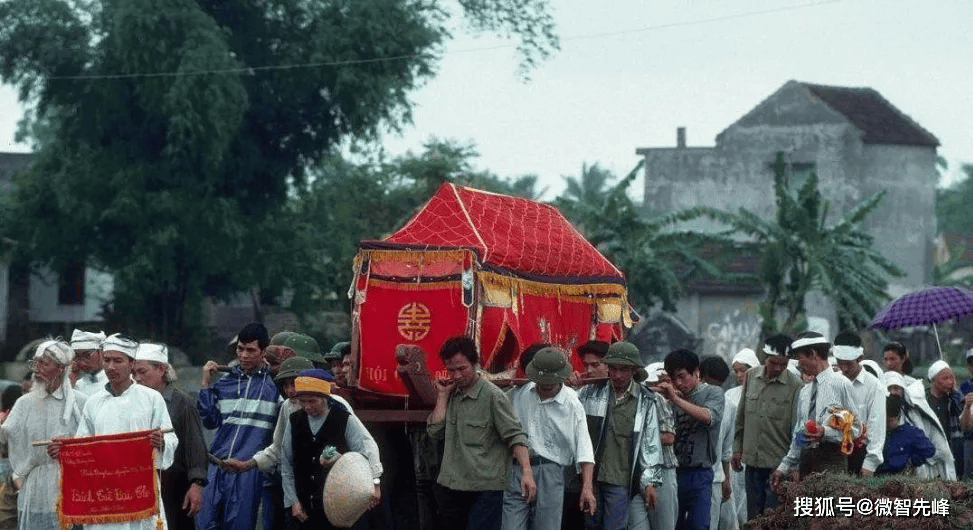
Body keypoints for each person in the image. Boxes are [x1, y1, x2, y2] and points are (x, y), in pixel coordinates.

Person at [66, 333, 178, 530]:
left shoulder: (151, 399)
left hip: (139, 489)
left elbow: (170, 438)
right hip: (104, 491)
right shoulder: (94, 402)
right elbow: (83, 444)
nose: (111, 366)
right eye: (107, 360)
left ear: (132, 364)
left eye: (118, 360)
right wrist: (65, 449)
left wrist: (162, 442)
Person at [427, 336, 536, 530]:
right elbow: (435, 432)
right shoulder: (452, 393)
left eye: (462, 369)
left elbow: (515, 436)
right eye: (451, 370)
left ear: (474, 364)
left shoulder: (493, 396)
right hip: (452, 485)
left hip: (485, 488)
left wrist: (527, 472)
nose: (457, 375)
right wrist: (442, 396)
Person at [197, 322, 280, 530]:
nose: (244, 355)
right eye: (240, 349)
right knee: (205, 524)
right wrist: (206, 384)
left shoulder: (275, 387)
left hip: (248, 471)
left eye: (251, 350)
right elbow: (210, 422)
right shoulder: (225, 383)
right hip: (217, 465)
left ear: (263, 351)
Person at [502, 347, 596, 530]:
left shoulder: (571, 403)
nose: (545, 388)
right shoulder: (519, 394)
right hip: (518, 468)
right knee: (510, 525)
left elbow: (584, 449)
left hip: (551, 471)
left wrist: (587, 488)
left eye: (549, 384)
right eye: (541, 383)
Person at [0, 339, 86, 530]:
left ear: (61, 368)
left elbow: (94, 442)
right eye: (35, 363)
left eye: (43, 363)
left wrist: (71, 445)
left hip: (72, 486)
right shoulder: (25, 403)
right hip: (35, 486)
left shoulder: (80, 402)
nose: (36, 369)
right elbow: (5, 434)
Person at [281, 369, 382, 529]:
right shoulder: (294, 421)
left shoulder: (343, 419)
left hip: (339, 505)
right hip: (304, 507)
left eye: (312, 401)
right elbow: (286, 465)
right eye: (302, 401)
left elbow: (367, 450)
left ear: (325, 398)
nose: (307, 407)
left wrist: (375, 483)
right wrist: (292, 500)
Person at [577, 342, 661, 530]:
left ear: (633, 370)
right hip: (591, 479)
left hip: (620, 481)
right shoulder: (589, 392)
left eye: (623, 370)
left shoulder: (645, 401)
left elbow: (650, 445)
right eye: (613, 369)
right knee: (590, 526)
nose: (617, 375)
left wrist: (650, 482)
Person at [133, 342, 207, 530]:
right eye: (134, 373)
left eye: (142, 372)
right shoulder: (133, 402)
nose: (137, 378)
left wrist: (196, 484)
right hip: (140, 486)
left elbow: (195, 447)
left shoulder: (181, 402)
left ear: (161, 369)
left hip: (174, 486)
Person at [771, 332, 861, 488]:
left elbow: (855, 429)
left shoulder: (840, 385)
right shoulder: (804, 393)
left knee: (829, 510)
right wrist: (783, 468)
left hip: (832, 464)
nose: (799, 363)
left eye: (800, 358)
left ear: (813, 354)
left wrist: (825, 432)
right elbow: (799, 434)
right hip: (806, 465)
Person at [731, 335, 801, 520]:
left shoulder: (795, 386)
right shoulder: (751, 376)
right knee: (753, 517)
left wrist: (793, 465)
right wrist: (737, 448)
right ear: (764, 358)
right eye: (773, 362)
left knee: (773, 518)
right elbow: (741, 416)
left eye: (783, 364)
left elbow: (797, 429)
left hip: (778, 466)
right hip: (752, 462)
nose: (778, 368)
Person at [657, 350, 723, 530]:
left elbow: (708, 418)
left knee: (699, 524)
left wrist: (675, 399)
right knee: (672, 525)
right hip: (673, 472)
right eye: (673, 378)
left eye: (682, 376)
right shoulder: (668, 396)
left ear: (696, 372)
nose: (678, 383)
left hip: (700, 473)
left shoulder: (713, 393)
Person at [832, 332, 886, 477]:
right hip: (833, 453)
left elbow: (877, 426)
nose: (844, 368)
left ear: (860, 359)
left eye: (848, 364)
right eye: (840, 362)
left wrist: (870, 463)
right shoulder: (833, 381)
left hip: (860, 455)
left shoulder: (874, 386)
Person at [884, 371, 955, 479]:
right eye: (890, 388)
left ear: (903, 391)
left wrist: (913, 458)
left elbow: (931, 447)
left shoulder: (915, 412)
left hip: (914, 472)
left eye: (896, 388)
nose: (893, 392)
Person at [697, 356, 734, 530]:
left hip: (714, 478)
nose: (714, 391)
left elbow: (727, 448)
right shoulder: (688, 401)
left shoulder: (729, 406)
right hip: (688, 474)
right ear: (699, 377)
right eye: (710, 384)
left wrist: (727, 478)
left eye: (718, 386)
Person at [722, 349, 757, 529]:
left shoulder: (762, 393)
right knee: (734, 490)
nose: (739, 375)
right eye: (736, 371)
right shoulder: (730, 395)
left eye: (743, 370)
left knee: (750, 492)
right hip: (733, 450)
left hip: (755, 450)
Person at [642, 362, 677, 530]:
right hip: (641, 470)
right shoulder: (644, 397)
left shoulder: (659, 400)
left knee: (664, 524)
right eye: (662, 381)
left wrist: (640, 439)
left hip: (662, 468)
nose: (665, 386)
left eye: (667, 381)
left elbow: (669, 437)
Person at [926, 360, 970, 479]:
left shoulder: (955, 398)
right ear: (933, 379)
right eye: (945, 378)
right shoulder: (923, 399)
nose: (950, 382)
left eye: (951, 378)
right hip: (929, 450)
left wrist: (965, 404)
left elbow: (965, 425)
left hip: (953, 450)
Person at [875, 394, 935, 475]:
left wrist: (911, 461)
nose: (886, 424)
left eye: (890, 421)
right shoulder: (876, 430)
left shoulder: (910, 432)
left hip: (900, 474)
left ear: (898, 417)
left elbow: (930, 450)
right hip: (878, 474)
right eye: (884, 420)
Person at [70, 329, 107, 396]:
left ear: (102, 351)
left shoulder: (119, 383)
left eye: (87, 356)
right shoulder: (75, 386)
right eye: (77, 357)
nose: (82, 363)